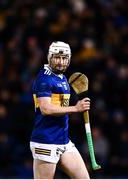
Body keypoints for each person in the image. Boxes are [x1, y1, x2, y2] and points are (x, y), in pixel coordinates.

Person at [30, 41, 90, 179]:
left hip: (63, 140)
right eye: (57, 57)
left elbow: (61, 108)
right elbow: (45, 109)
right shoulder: (44, 79)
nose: (61, 62)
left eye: (64, 58)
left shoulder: (62, 77)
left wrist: (79, 107)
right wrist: (76, 108)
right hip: (46, 141)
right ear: (49, 57)